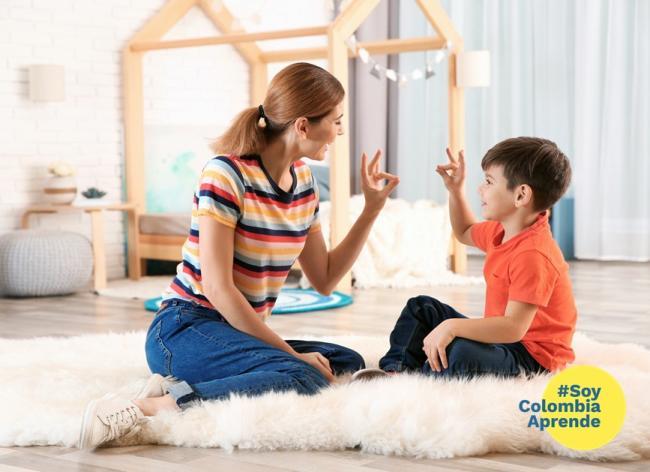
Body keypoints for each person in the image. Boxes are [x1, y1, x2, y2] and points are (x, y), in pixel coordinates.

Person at [79, 62, 399, 449]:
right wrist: (290, 357)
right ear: (302, 126)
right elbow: (218, 288)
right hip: (184, 327)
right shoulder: (226, 174)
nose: (340, 130)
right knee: (306, 374)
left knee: (341, 359)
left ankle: (183, 382)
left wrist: (370, 210)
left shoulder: (304, 184)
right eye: (336, 120)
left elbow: (326, 277)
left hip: (235, 331)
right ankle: (149, 407)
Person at [353, 137, 576, 381]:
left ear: (521, 195)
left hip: (533, 358)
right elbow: (464, 231)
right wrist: (455, 190)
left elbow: (513, 328)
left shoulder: (534, 254)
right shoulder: (501, 231)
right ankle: (396, 372)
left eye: (489, 182)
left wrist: (452, 327)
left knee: (458, 351)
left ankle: (427, 380)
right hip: (505, 340)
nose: (481, 189)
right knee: (421, 308)